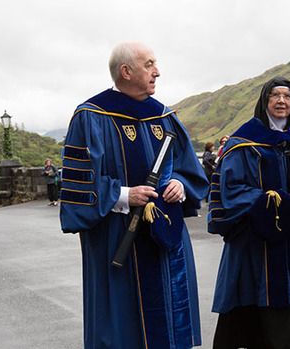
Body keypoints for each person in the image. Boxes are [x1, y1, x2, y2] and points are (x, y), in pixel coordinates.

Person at [59, 42, 209, 349]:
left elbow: (190, 170)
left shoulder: (164, 117)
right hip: (117, 237)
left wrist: (180, 183)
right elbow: (76, 186)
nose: (158, 71)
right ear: (126, 72)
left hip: (164, 237)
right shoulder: (91, 117)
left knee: (167, 318)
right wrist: (124, 195)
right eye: (149, 64)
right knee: (123, 325)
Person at [208, 77, 290, 349]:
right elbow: (229, 190)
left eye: (287, 96)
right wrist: (267, 201)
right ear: (264, 101)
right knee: (252, 306)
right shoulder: (244, 143)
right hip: (254, 242)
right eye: (275, 96)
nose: (281, 101)